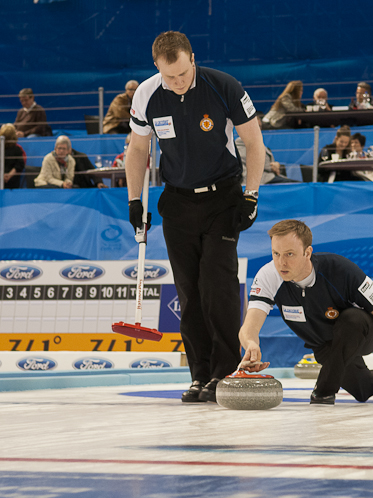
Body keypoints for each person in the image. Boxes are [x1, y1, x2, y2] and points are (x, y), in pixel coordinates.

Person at [125, 31, 265, 404]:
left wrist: (251, 195)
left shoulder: (223, 86)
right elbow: (138, 149)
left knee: (216, 288)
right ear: (157, 67)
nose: (178, 82)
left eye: (184, 74)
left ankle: (223, 373)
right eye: (170, 77)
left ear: (192, 59)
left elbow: (254, 143)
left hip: (222, 199)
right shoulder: (147, 95)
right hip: (178, 203)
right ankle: (199, 375)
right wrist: (134, 201)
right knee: (188, 293)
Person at [238, 220, 373, 404]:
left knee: (351, 319)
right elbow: (249, 328)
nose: (281, 263)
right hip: (324, 345)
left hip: (363, 332)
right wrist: (251, 344)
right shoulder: (268, 276)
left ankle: (323, 391)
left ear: (307, 253)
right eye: (276, 254)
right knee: (363, 389)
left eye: (289, 254)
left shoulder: (341, 270)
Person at [0, 124, 26, 189]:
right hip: (12, 181)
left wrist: (5, 176)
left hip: (11, 180)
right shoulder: (18, 149)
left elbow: (19, 165)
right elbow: (19, 165)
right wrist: (9, 176)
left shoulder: (17, 149)